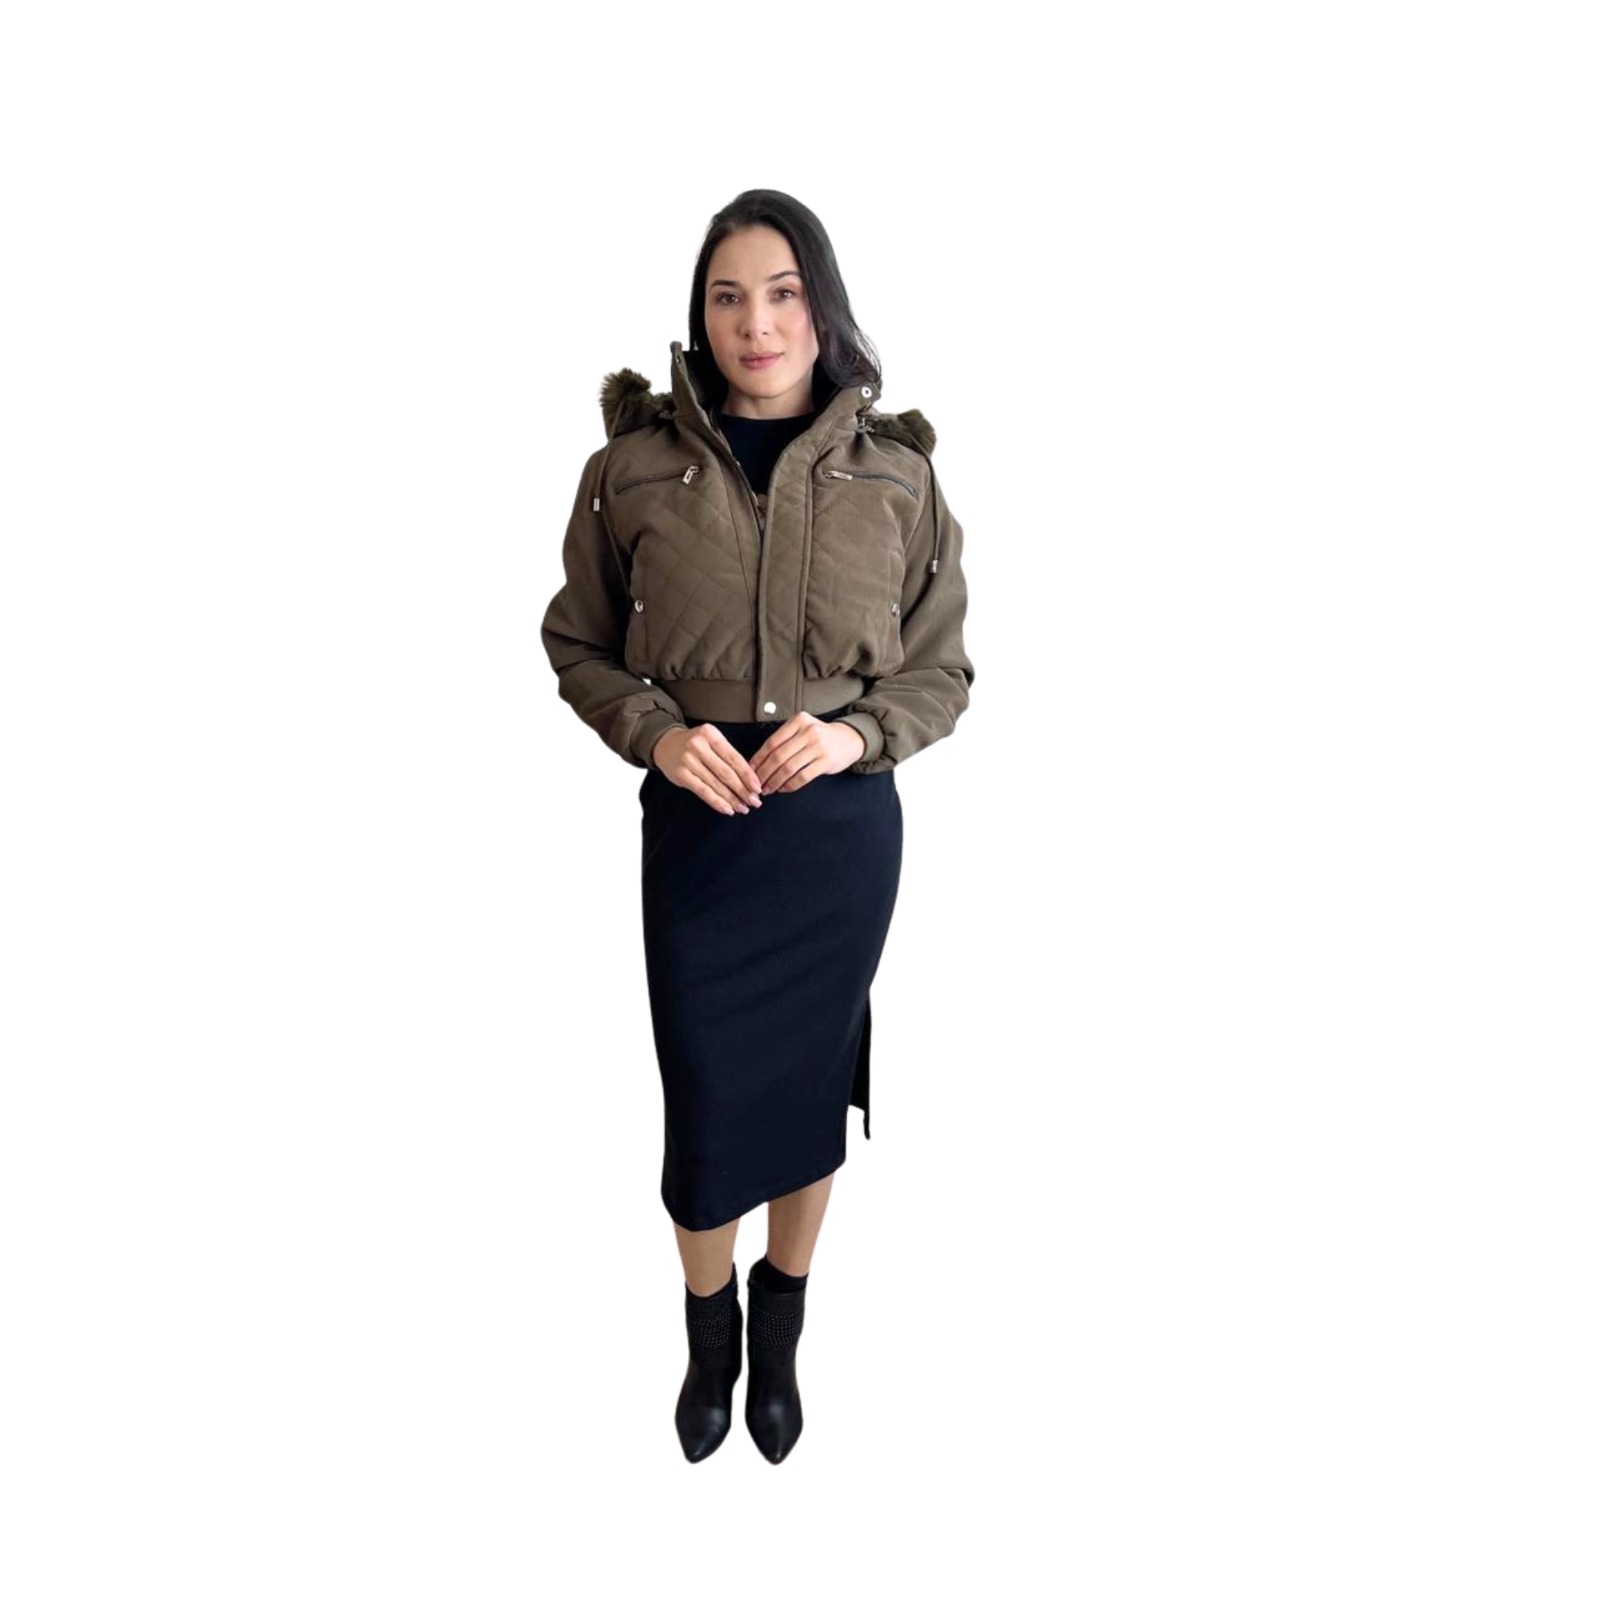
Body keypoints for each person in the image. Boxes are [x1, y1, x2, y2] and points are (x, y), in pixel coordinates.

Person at [540, 190, 974, 1463]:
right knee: (706, 1101)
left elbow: (940, 671)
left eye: (782, 293)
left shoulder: (897, 475)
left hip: (836, 840)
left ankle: (780, 1329)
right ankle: (707, 1328)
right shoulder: (629, 471)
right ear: (700, 315)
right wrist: (660, 735)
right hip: (701, 839)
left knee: (805, 1094)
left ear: (821, 307)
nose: (756, 322)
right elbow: (577, 643)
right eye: (727, 296)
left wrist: (853, 735)